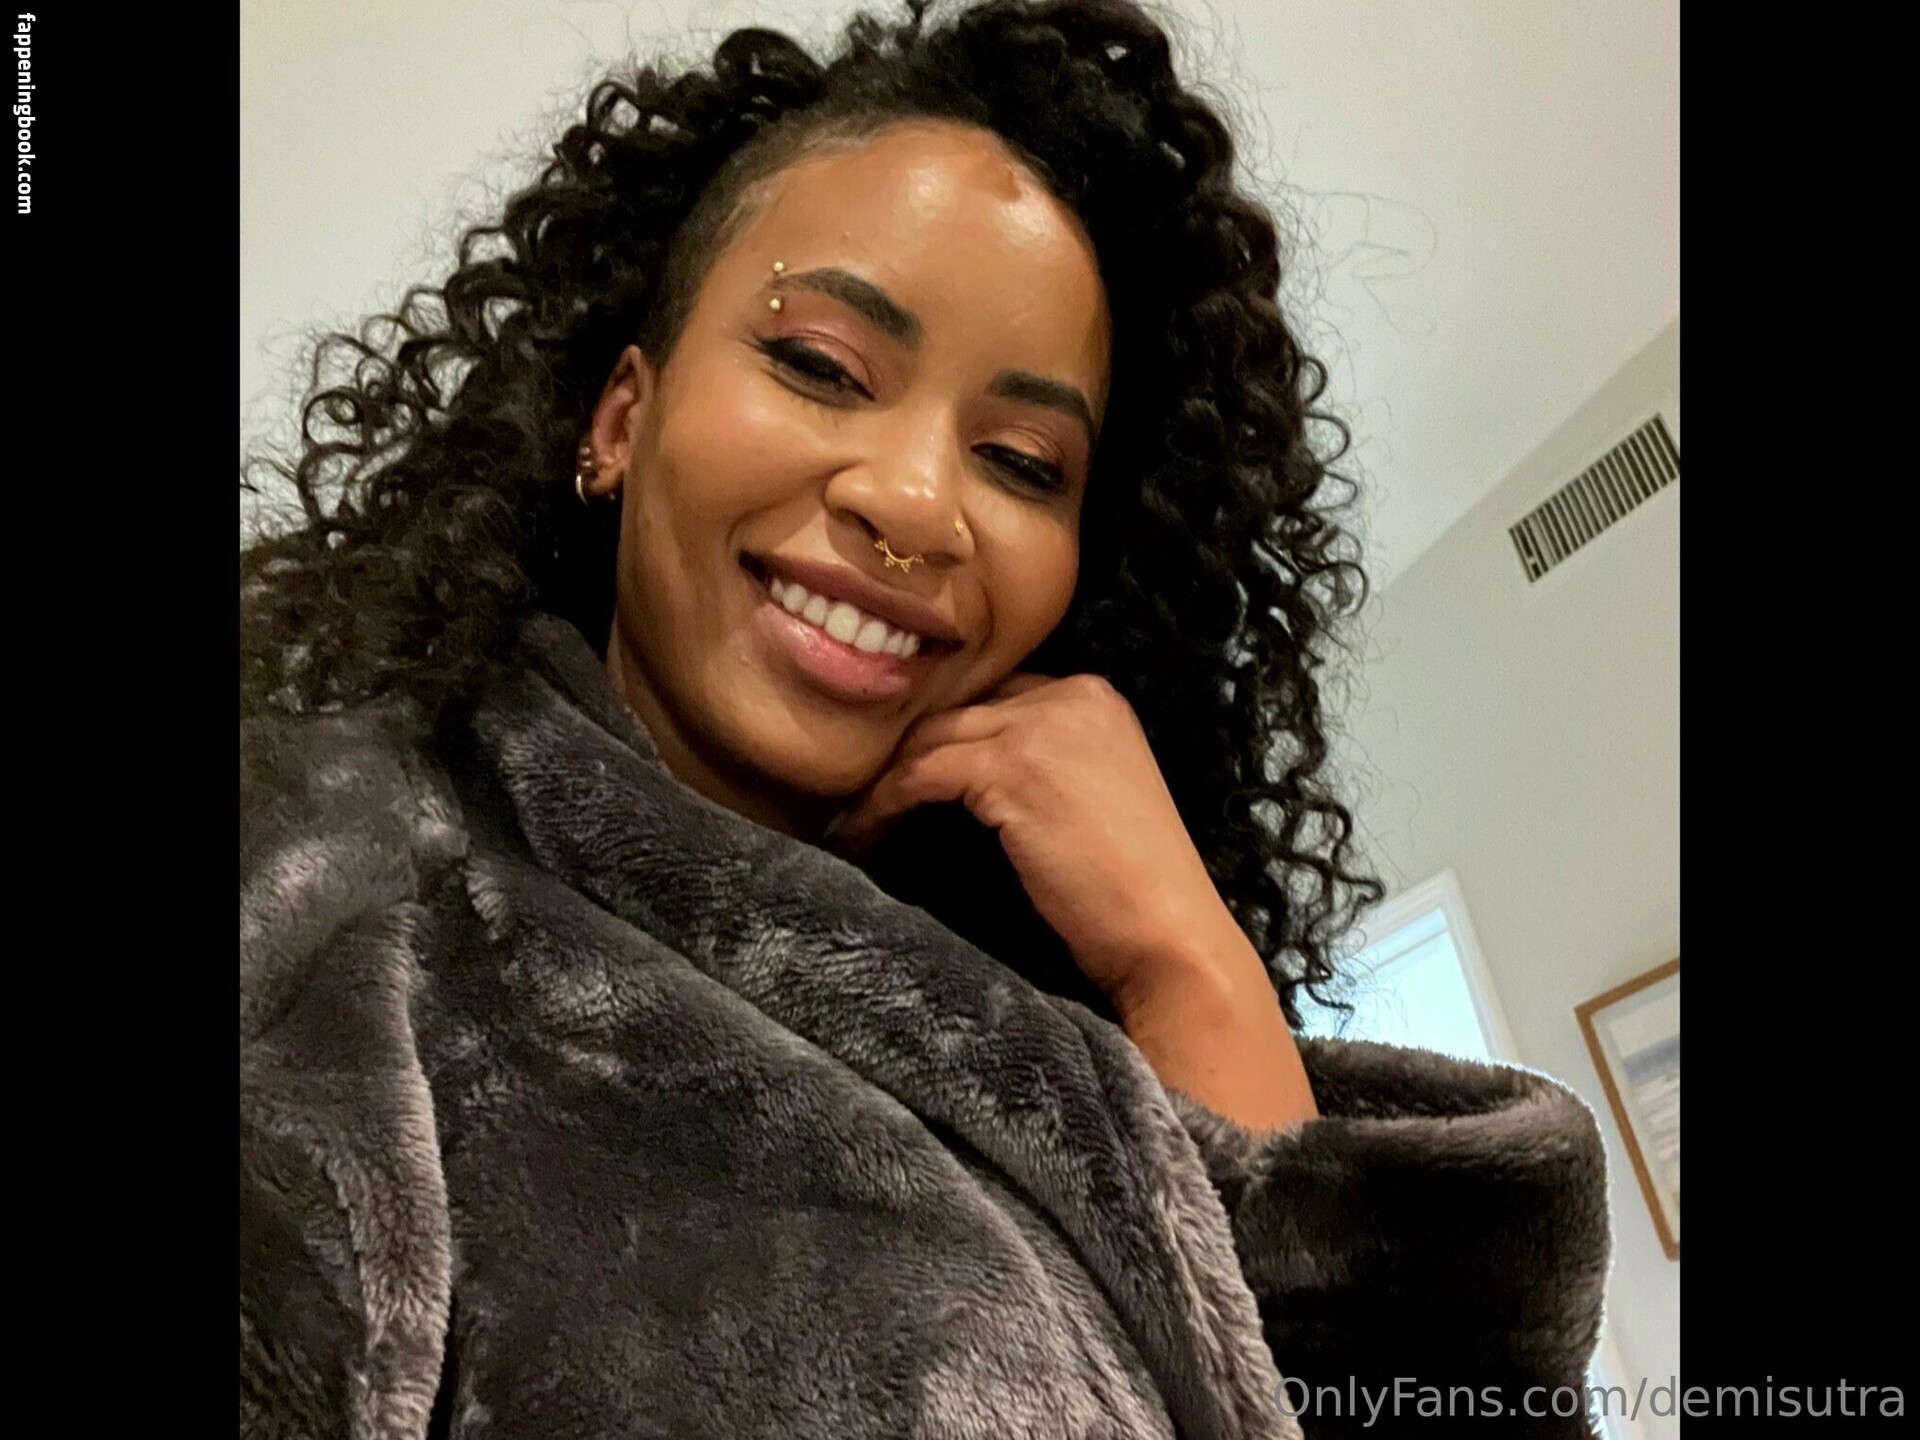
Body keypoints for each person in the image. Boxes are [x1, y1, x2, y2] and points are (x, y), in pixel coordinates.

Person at [239, 2, 1611, 1435]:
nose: (912, 503)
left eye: (1020, 460)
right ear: (620, 420)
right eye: (821, 366)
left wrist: (1187, 964)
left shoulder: (1056, 1024)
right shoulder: (325, 886)